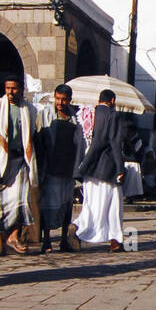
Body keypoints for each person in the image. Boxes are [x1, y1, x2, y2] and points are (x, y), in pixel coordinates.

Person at [0, 76, 40, 257]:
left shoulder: (29, 110)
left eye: (14, 88)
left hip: (19, 161)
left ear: (21, 89)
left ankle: (14, 237)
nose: (11, 92)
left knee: (20, 202)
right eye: (7, 88)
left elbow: (32, 137)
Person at [71, 89, 128, 252]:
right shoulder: (113, 115)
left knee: (91, 204)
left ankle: (112, 239)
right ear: (112, 100)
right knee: (113, 206)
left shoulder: (87, 114)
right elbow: (114, 143)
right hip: (107, 168)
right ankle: (81, 229)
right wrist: (120, 167)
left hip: (89, 169)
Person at [35, 84, 86, 253]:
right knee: (48, 204)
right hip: (50, 168)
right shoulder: (45, 115)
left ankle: (64, 239)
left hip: (68, 168)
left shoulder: (75, 117)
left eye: (64, 99)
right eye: (57, 98)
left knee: (66, 205)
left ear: (69, 100)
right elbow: (39, 141)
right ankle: (47, 239)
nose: (60, 102)